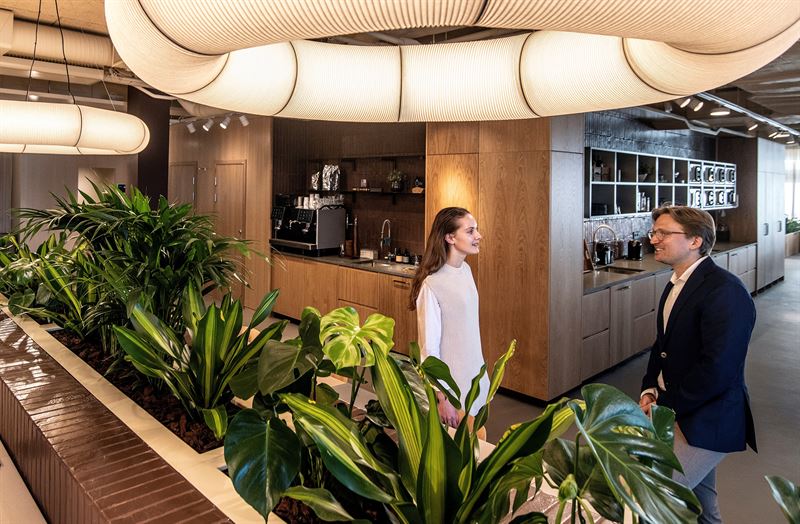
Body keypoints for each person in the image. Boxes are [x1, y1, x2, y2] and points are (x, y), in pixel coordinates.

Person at [639, 205, 757, 524]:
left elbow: (719, 368)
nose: (654, 240)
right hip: (680, 411)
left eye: (664, 233)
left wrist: (666, 403)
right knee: (704, 509)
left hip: (708, 418)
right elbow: (662, 346)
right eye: (654, 232)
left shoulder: (726, 291)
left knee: (652, 502)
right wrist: (649, 388)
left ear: (695, 241)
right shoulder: (676, 283)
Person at [409, 207, 489, 436]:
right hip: (453, 391)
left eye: (476, 230)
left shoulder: (466, 270)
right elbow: (429, 349)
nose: (478, 236)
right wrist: (442, 398)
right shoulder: (432, 285)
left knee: (480, 442)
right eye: (470, 231)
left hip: (476, 381)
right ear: (450, 238)